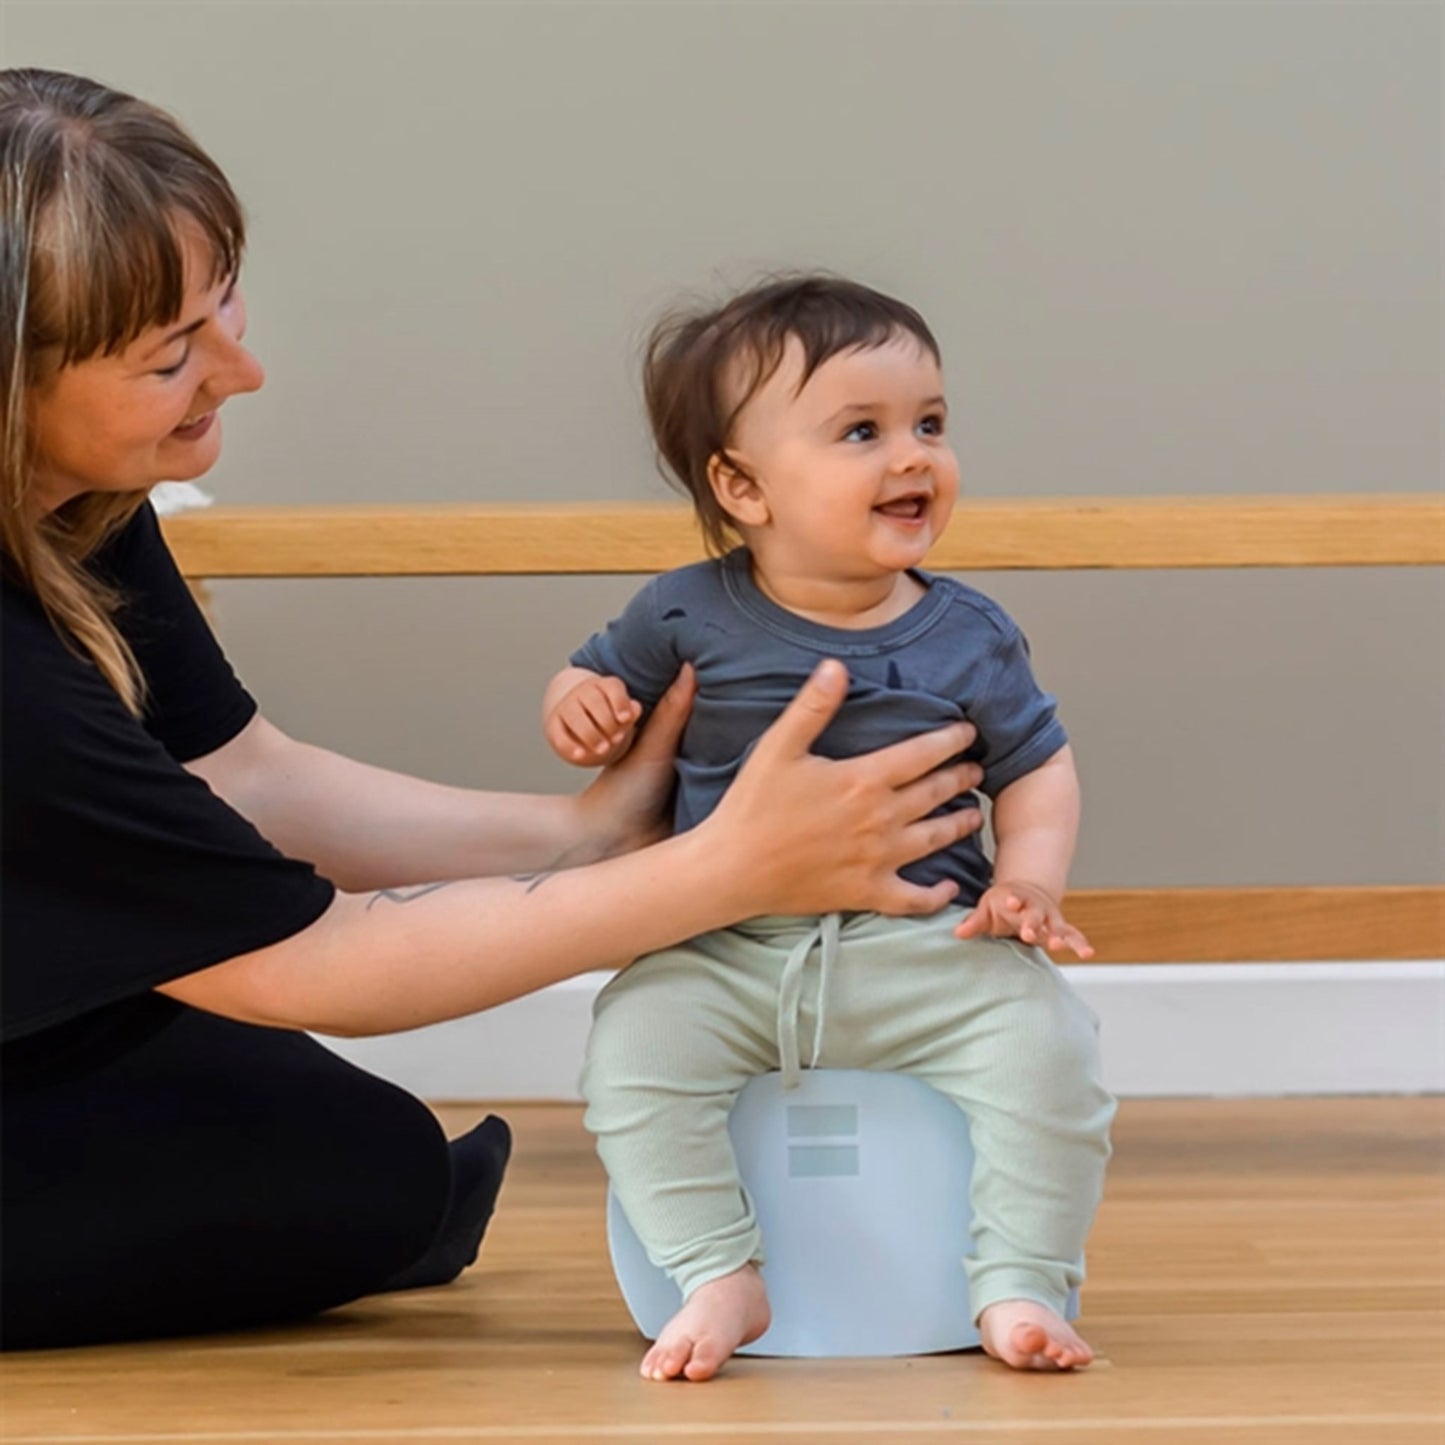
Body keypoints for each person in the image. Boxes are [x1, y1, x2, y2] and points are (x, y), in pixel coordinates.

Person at [0, 71, 988, 1352]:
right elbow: (321, 960)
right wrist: (716, 871)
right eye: (170, 355)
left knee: (358, 1154)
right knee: (368, 1182)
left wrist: (590, 834)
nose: (242, 369)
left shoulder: (73, 492)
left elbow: (241, 778)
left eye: (221, 302)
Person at [543, 276, 1117, 1382]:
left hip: (927, 945)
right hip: (725, 941)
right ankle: (715, 1269)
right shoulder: (683, 609)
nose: (912, 456)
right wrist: (577, 704)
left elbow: (1037, 766)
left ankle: (1017, 1278)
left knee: (1048, 1049)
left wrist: (1029, 881)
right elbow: (587, 674)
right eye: (862, 430)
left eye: (930, 423)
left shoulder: (970, 634)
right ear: (740, 484)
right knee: (634, 1045)